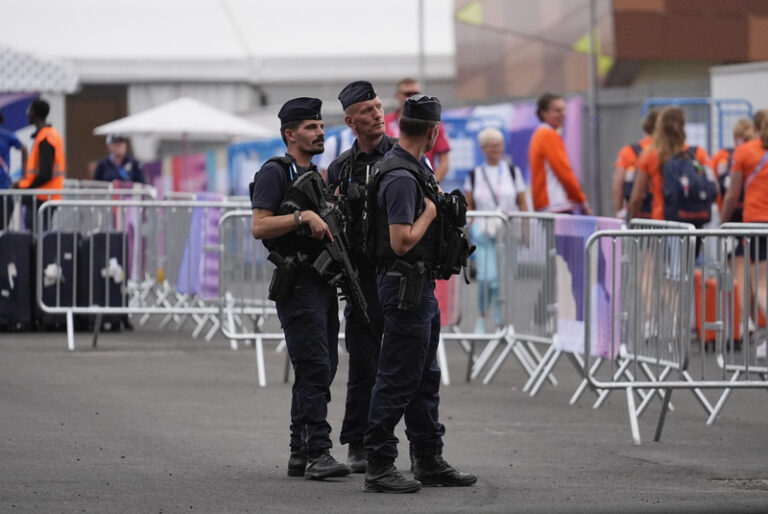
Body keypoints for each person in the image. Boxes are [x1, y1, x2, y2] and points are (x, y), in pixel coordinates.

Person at [363, 94, 477, 493]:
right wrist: (430, 211)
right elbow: (400, 241)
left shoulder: (411, 169)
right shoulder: (401, 177)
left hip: (418, 285)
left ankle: (428, 458)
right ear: (433, 132)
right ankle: (378, 463)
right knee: (397, 376)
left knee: (424, 376)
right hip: (404, 284)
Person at [249, 97, 351, 480]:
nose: (320, 131)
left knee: (325, 366)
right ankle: (318, 452)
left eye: (321, 125)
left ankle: (299, 450)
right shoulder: (275, 172)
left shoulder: (318, 176)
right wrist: (300, 216)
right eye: (310, 127)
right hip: (298, 284)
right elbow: (259, 227)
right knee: (313, 367)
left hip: (321, 284)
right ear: (290, 134)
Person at [327, 81, 397, 473]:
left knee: (409, 365)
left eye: (378, 107)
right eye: (368, 110)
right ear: (351, 121)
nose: (377, 114)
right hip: (363, 278)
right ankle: (359, 442)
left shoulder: (403, 158)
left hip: (398, 272)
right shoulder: (341, 168)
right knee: (365, 364)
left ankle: (419, 447)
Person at [464, 127, 528, 332]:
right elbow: (469, 203)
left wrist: (525, 229)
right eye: (491, 146)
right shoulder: (475, 174)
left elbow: (522, 202)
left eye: (498, 145)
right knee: (486, 278)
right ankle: (482, 316)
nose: (496, 149)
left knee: (503, 279)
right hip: (483, 233)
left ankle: (501, 321)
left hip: (507, 233)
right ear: (483, 148)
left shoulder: (512, 172)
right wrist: (472, 225)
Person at [722, 109, 768, 359]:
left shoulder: (744, 152)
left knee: (761, 283)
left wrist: (724, 219)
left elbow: (732, 193)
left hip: (757, 223)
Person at [628, 107, 713, 226]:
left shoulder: (649, 154)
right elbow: (714, 188)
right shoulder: (695, 153)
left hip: (663, 222)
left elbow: (636, 198)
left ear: (660, 128)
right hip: (692, 223)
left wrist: (630, 222)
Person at [528, 93, 592, 215]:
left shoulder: (540, 134)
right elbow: (563, 171)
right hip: (556, 204)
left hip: (548, 205)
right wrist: (582, 200)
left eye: (563, 109)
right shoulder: (548, 135)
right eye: (557, 110)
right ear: (543, 113)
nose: (563, 114)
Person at [385, 78, 452, 182]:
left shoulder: (432, 124)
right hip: (393, 178)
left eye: (416, 93)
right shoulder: (385, 122)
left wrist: (430, 187)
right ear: (397, 95)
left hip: (423, 178)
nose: (412, 96)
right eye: (407, 93)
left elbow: (444, 163)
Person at [13, 99, 66, 232]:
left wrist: (23, 186)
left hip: (43, 196)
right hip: (46, 195)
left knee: (38, 237)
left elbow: (45, 173)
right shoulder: (47, 135)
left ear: (34, 113)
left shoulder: (46, 138)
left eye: (29, 110)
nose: (27, 114)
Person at [612, 110, 658, 217]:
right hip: (663, 214)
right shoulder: (666, 151)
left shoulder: (628, 152)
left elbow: (617, 185)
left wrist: (619, 213)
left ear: (645, 128)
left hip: (638, 214)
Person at [0, 111, 28, 229]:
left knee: (2, 226)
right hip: (5, 188)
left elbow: (23, 148)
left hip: (4, 189)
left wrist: (24, 174)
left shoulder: (5, 136)